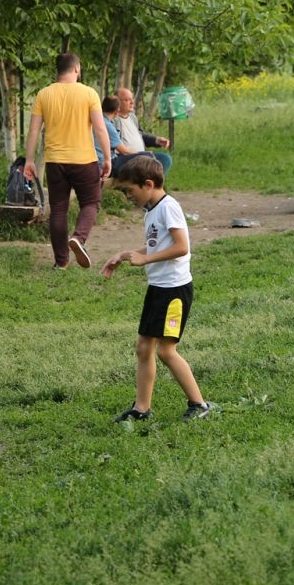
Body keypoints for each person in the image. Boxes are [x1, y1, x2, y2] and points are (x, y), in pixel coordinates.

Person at [101, 155, 216, 422]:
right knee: (143, 348)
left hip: (174, 292)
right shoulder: (151, 210)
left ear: (148, 184)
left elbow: (181, 247)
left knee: (165, 351)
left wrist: (145, 260)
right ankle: (141, 409)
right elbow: (157, 245)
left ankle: (199, 404)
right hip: (158, 289)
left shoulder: (168, 207)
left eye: (130, 190)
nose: (128, 196)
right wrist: (126, 254)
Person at [23, 52, 111, 269]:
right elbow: (100, 128)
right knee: (90, 202)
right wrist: (108, 157)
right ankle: (79, 238)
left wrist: (29, 160)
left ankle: (61, 262)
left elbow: (33, 130)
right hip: (84, 160)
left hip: (55, 162)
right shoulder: (89, 93)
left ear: (58, 70)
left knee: (58, 209)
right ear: (77, 69)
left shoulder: (44, 94)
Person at [114, 86, 172, 174]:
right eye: (127, 100)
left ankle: (149, 181)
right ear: (117, 102)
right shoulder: (113, 120)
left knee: (165, 159)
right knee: (151, 161)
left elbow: (141, 135)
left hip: (142, 156)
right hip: (124, 158)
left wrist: (156, 140)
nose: (132, 102)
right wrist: (141, 155)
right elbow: (113, 144)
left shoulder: (132, 117)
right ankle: (148, 181)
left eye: (132, 99)